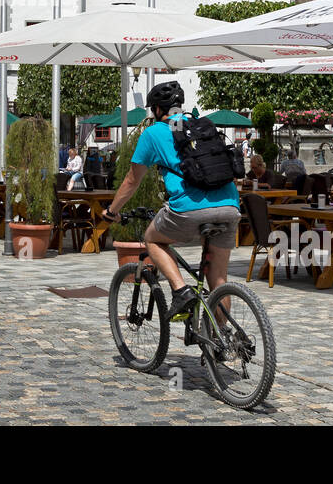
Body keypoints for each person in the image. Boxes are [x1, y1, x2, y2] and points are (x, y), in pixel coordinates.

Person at [102, 81, 241, 319]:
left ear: (156, 110)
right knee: (218, 279)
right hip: (230, 204)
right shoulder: (201, 126)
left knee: (152, 239)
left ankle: (181, 291)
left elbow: (131, 180)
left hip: (189, 208)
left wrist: (112, 211)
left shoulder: (154, 132)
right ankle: (223, 343)